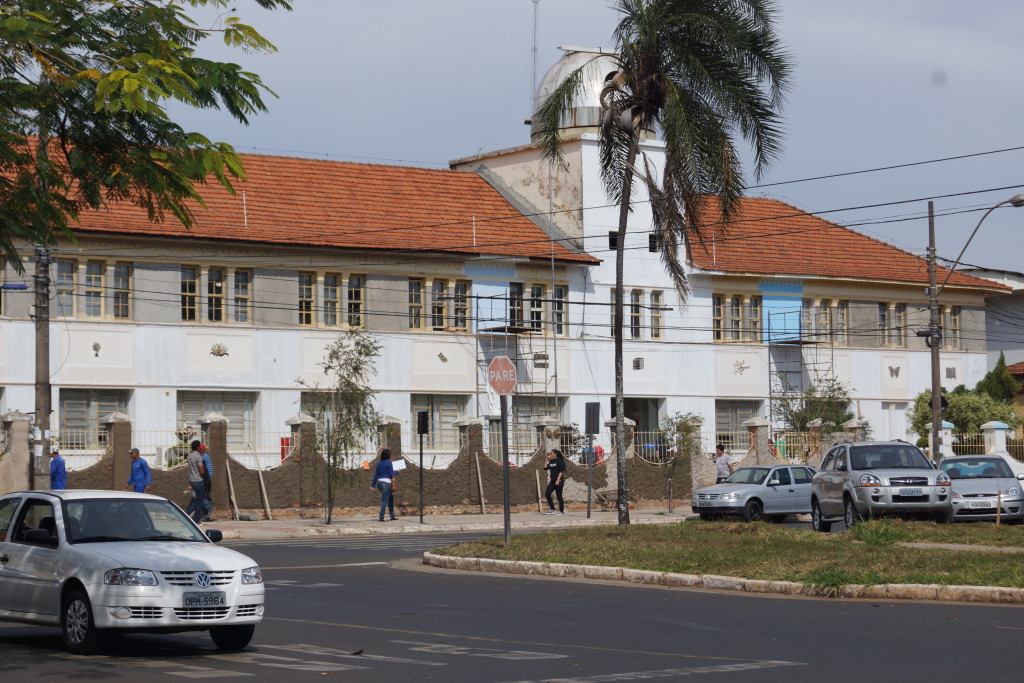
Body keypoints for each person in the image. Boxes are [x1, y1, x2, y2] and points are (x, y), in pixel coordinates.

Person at [371, 449, 398, 522]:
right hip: (386, 483)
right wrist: (397, 471)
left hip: (379, 483)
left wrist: (372, 485)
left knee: (390, 498)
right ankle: (381, 517)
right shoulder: (389, 463)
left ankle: (392, 516)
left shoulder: (379, 463)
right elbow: (391, 474)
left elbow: (376, 475)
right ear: (388, 456)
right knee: (384, 500)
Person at [184, 440, 207, 523]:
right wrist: (203, 470)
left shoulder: (189, 456)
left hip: (192, 481)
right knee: (199, 501)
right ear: (197, 447)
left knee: (196, 499)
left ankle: (185, 515)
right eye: (200, 446)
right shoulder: (198, 457)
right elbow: (201, 471)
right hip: (199, 480)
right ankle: (196, 520)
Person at [543, 448, 566, 515]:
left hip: (559, 481)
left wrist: (558, 480)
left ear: (555, 454)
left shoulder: (559, 461)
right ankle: (552, 509)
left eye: (551, 453)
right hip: (552, 481)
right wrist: (546, 460)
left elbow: (561, 471)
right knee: (547, 494)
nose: (550, 455)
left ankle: (561, 511)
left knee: (559, 496)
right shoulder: (551, 461)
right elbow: (545, 468)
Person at [199, 443, 214, 521]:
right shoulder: (203, 457)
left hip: (205, 480)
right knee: (202, 496)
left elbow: (207, 470)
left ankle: (210, 508)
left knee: (199, 496)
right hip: (204, 480)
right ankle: (206, 515)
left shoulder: (204, 457)